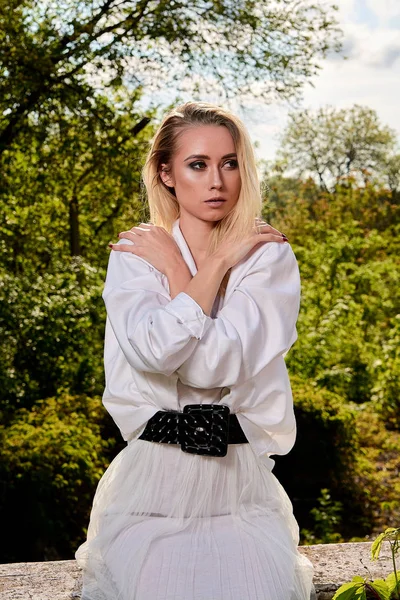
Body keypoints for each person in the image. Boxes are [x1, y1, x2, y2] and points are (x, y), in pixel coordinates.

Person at [75, 101, 315, 600]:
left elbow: (212, 365)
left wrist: (196, 271)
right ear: (166, 173)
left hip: (238, 485)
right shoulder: (136, 255)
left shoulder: (266, 255)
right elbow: (156, 352)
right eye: (198, 164)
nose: (217, 181)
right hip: (152, 483)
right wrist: (211, 269)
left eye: (229, 163)